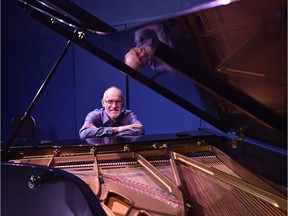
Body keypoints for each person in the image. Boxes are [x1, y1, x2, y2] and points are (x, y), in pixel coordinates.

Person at [79, 86, 144, 139]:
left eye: (118, 101)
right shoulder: (94, 115)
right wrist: (118, 129)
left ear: (123, 103)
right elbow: (84, 133)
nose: (114, 106)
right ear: (103, 103)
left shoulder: (129, 115)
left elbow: (140, 130)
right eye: (110, 101)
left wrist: (100, 132)